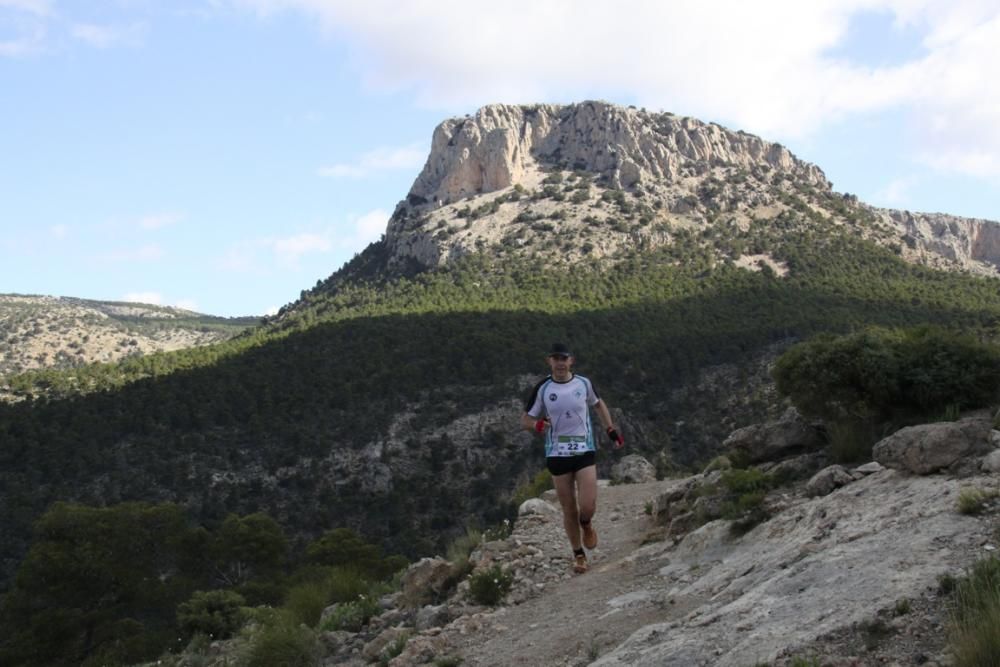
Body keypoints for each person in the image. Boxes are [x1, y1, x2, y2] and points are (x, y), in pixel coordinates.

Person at [521, 342, 624, 574]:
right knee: (569, 508)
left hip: (584, 450)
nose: (559, 363)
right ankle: (578, 554)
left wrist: (611, 430)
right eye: (555, 359)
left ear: (571, 361)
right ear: (550, 361)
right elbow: (525, 420)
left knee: (587, 505)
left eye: (563, 358)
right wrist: (538, 424)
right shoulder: (543, 388)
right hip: (557, 454)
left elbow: (598, 404)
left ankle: (586, 524)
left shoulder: (583, 383)